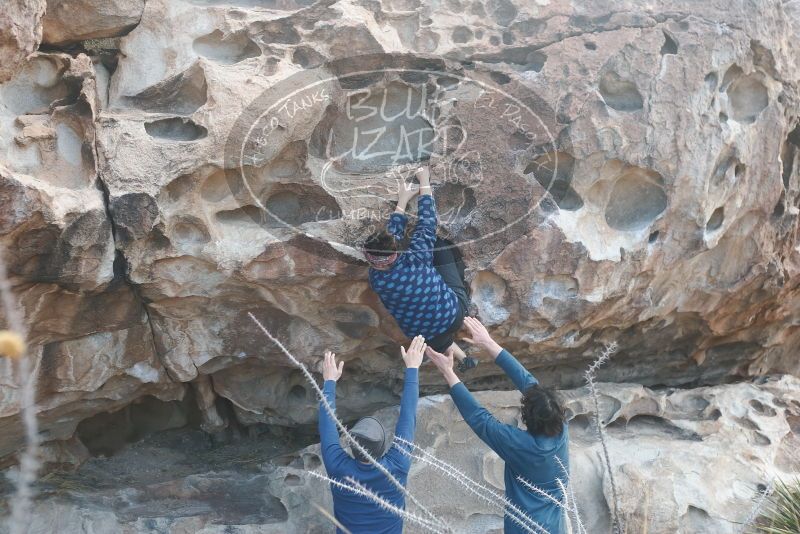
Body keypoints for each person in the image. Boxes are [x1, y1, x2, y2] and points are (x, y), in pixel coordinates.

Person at [426, 317, 569, 534]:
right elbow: (528, 382)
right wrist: (488, 343)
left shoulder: (522, 446)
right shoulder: (560, 427)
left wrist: (448, 371)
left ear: (527, 418)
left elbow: (481, 420)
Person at [363, 165, 477, 372]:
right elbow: (427, 223)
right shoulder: (415, 258)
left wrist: (403, 200)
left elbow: (389, 244)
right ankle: (463, 355)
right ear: (395, 252)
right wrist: (424, 181)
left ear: (371, 261)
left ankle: (462, 357)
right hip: (452, 314)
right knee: (441, 244)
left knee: (429, 330)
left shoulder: (376, 279)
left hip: (424, 334)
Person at [319, 335, 426, 534]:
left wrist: (329, 382)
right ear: (384, 445)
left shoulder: (337, 466)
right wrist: (412, 367)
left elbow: (326, 426)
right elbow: (408, 416)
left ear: (351, 445)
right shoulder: (397, 465)